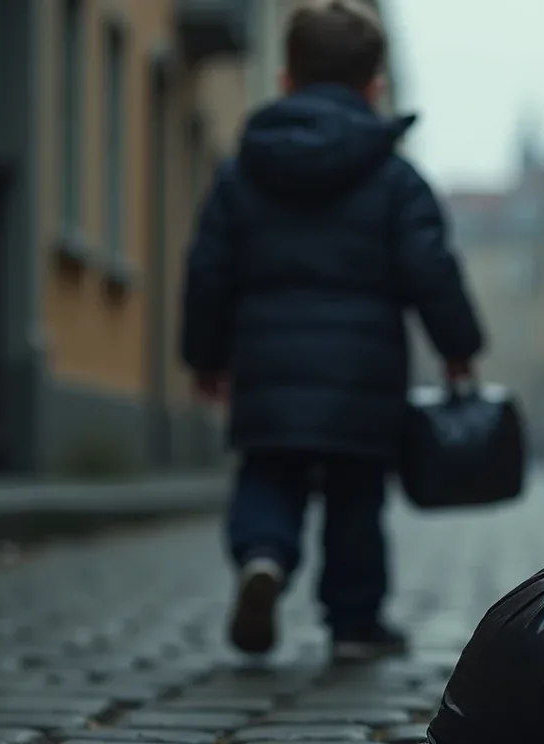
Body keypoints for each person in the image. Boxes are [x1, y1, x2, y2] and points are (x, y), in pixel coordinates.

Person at [180, 0, 486, 661]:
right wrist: (458, 348)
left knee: (269, 472)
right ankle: (354, 621)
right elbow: (431, 269)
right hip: (362, 371)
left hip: (266, 363)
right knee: (355, 494)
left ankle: (263, 558)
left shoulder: (241, 173)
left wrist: (204, 355)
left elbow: (209, 270)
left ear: (285, 79)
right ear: (374, 87)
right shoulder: (395, 178)